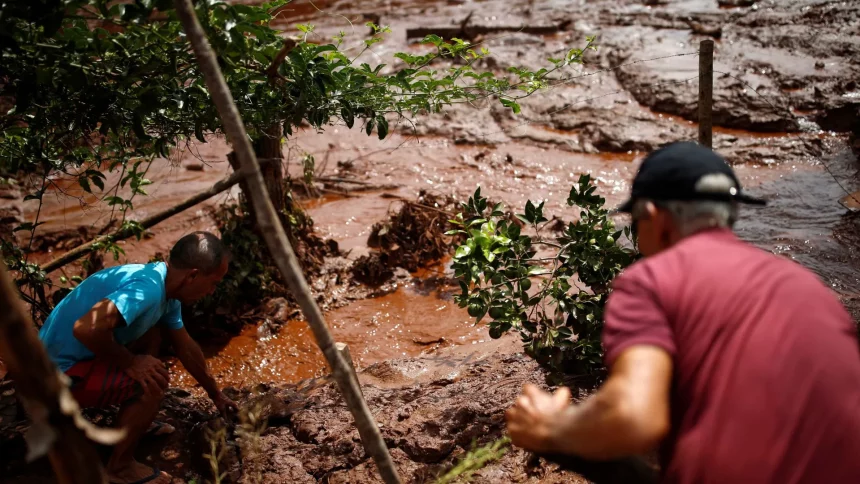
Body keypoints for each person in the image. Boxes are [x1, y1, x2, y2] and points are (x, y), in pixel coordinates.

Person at [505, 141, 860, 483]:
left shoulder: (653, 279)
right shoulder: (808, 287)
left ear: (655, 218)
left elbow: (633, 418)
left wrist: (552, 426)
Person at [39, 231, 239, 484]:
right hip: (51, 377)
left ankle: (132, 423)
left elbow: (185, 347)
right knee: (154, 382)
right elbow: (86, 328)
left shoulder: (165, 287)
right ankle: (119, 467)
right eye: (214, 283)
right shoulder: (147, 290)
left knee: (154, 333)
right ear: (193, 276)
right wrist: (131, 363)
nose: (212, 291)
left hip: (60, 363)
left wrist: (216, 395)